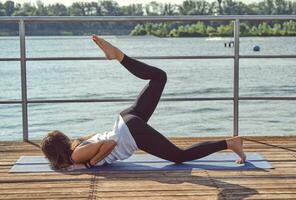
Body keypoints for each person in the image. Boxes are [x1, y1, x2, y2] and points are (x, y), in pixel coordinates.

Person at [41, 35, 246, 170]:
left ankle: (230, 143)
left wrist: (91, 164)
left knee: (179, 156)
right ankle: (120, 57)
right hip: (126, 120)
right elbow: (105, 141)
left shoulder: (76, 156)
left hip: (129, 132)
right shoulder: (78, 145)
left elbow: (110, 144)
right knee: (159, 78)